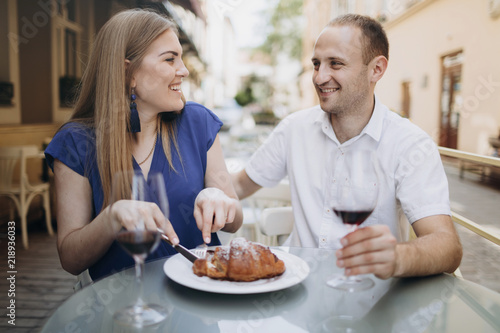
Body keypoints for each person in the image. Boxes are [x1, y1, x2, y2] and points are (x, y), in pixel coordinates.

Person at [232, 14, 462, 279]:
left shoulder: (410, 144)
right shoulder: (294, 129)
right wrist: (211, 193)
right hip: (297, 290)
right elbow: (237, 186)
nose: (319, 77)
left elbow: (447, 246)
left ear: (376, 69)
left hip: (373, 301)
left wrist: (399, 257)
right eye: (317, 64)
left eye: (335, 64)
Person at [45, 9, 242, 281]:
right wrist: (111, 217)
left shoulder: (198, 122)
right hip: (125, 311)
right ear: (129, 73)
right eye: (170, 59)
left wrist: (222, 201)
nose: (183, 71)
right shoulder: (76, 143)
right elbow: (70, 259)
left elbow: (235, 220)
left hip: (203, 295)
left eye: (181, 59)